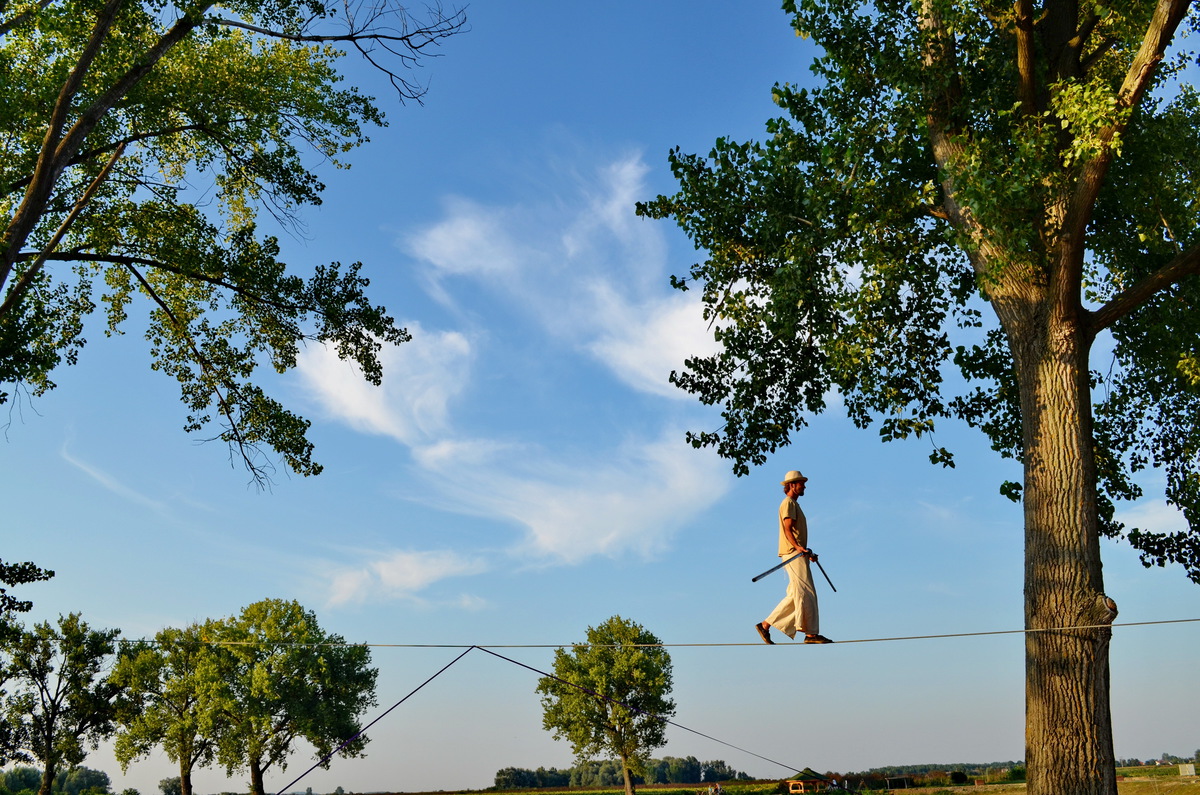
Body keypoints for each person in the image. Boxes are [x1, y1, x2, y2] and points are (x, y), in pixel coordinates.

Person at [755, 470, 833, 644]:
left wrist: (807, 551)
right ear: (792, 485)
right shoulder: (788, 503)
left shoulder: (794, 504)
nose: (804, 486)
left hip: (797, 553)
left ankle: (765, 625)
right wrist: (798, 548)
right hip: (792, 554)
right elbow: (787, 528)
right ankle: (811, 634)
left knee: (796, 595)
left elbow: (795, 533)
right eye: (801, 483)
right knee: (807, 593)